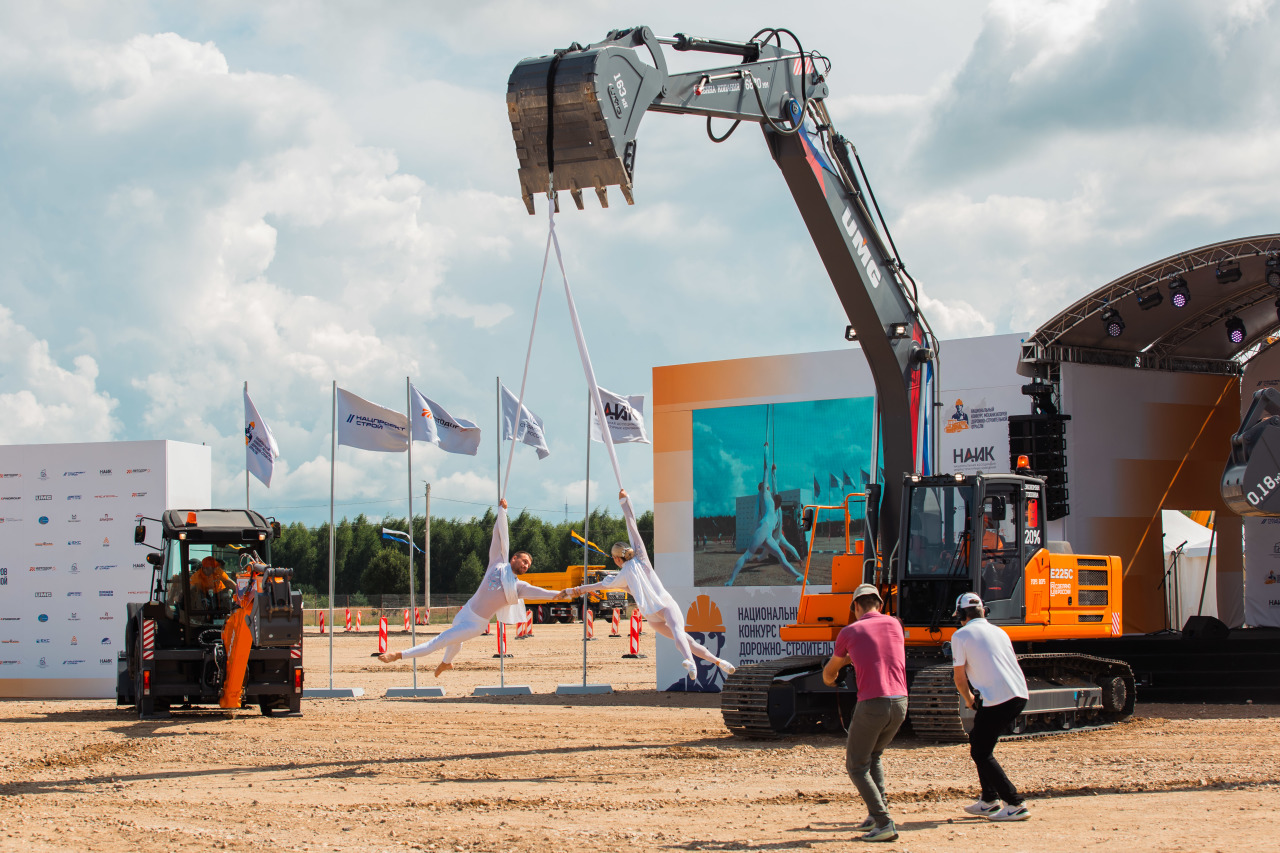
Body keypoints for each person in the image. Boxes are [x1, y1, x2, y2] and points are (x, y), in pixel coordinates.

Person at [377, 499, 564, 677]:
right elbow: (498, 537)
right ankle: (446, 663)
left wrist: (568, 593)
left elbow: (546, 593)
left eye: (528, 565)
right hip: (466, 611)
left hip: (476, 623)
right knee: (454, 640)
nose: (526, 566)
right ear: (513, 558)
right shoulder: (496, 564)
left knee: (440, 640)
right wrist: (502, 512)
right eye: (524, 561)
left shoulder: (518, 586)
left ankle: (398, 655)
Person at [566, 489, 737, 682]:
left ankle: (712, 661)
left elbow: (599, 586)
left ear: (615, 558)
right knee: (682, 635)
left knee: (682, 639)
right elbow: (632, 526)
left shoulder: (620, 577)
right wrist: (625, 501)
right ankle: (699, 660)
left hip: (650, 614)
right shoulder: (642, 559)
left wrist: (579, 589)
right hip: (663, 604)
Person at [821, 583, 907, 843]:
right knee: (874, 755)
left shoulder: (850, 631)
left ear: (855, 607)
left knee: (856, 766)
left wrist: (835, 677)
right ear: (879, 605)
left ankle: (884, 822)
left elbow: (829, 673)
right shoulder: (895, 625)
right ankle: (874, 813)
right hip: (901, 702)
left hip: (872, 703)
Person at [951, 592, 1031, 821]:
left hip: (998, 698)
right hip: (1017, 693)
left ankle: (1015, 803)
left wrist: (968, 699)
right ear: (982, 611)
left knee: (980, 751)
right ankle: (989, 800)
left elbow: (959, 678)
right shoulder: (1000, 631)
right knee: (979, 739)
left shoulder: (961, 635)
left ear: (962, 615)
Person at [726, 451, 803, 586]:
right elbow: (765, 469)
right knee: (748, 556)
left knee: (781, 557)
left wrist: (774, 472)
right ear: (763, 488)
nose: (767, 486)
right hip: (764, 528)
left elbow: (775, 485)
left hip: (769, 535)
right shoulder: (766, 496)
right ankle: (730, 581)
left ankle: (800, 576)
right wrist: (766, 450)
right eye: (765, 485)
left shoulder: (773, 503)